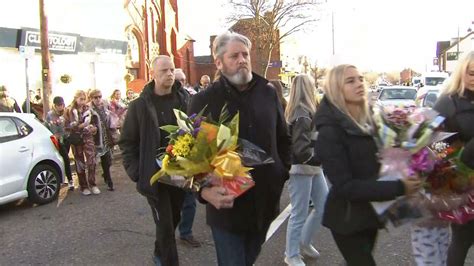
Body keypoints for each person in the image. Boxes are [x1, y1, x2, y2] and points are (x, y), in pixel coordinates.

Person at [188, 31, 291, 266]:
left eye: (245, 54)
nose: (242, 59)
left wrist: (280, 172)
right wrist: (203, 192)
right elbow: (188, 156)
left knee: (250, 259)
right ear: (219, 62)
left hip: (265, 203)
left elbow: (284, 138)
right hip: (228, 208)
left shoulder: (268, 92)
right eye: (234, 55)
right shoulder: (204, 100)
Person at [314, 64, 421, 265]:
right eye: (350, 80)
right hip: (347, 219)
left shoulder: (370, 122)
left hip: (370, 215)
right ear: (336, 88)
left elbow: (378, 163)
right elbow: (345, 186)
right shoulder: (330, 132)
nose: (359, 83)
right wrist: (399, 187)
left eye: (361, 78)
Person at [119, 55, 190, 266]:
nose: (169, 74)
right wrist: (137, 172)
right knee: (166, 224)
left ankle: (159, 252)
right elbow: (127, 142)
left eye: (171, 69)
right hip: (154, 177)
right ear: (153, 74)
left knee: (174, 218)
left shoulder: (184, 99)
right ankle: (166, 261)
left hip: (180, 174)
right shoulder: (139, 106)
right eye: (163, 71)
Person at [433, 51, 474, 266]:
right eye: (472, 73)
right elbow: (431, 144)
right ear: (461, 73)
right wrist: (462, 154)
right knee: (462, 239)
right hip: (464, 183)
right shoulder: (446, 102)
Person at [284, 74, 328, 266]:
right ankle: (291, 254)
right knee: (299, 212)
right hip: (302, 168)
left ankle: (304, 242)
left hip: (312, 167)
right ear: (308, 88)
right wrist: (319, 158)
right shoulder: (302, 113)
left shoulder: (306, 110)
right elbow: (300, 149)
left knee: (323, 205)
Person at [173, 69, 201, 248]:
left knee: (190, 197)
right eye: (178, 81)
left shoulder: (190, 97)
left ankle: (185, 233)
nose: (182, 83)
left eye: (183, 80)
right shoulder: (165, 100)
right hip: (170, 153)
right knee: (171, 202)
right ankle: (166, 236)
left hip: (188, 153)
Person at [65, 90, 100, 196]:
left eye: (84, 99)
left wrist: (93, 128)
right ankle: (84, 186)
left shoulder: (88, 109)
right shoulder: (69, 111)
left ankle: (93, 184)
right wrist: (77, 126)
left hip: (88, 137)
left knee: (91, 160)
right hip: (76, 139)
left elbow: (95, 123)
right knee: (79, 162)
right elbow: (66, 126)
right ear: (76, 99)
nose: (83, 101)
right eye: (81, 99)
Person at [45, 96, 75, 190]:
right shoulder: (50, 114)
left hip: (67, 137)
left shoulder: (66, 112)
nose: (60, 107)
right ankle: (70, 180)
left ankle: (65, 177)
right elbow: (47, 126)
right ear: (54, 105)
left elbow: (71, 123)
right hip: (58, 140)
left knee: (64, 158)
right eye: (58, 105)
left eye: (62, 105)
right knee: (65, 158)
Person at [89, 89, 116, 191]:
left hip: (106, 137)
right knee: (93, 162)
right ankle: (93, 183)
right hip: (95, 139)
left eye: (99, 96)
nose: (98, 99)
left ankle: (107, 177)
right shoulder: (89, 109)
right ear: (91, 98)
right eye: (95, 97)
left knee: (107, 160)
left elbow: (110, 118)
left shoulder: (105, 106)